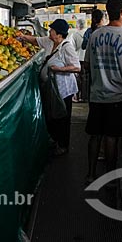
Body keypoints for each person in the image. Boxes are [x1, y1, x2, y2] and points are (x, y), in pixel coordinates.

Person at [84, 0, 122, 183]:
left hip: (96, 95)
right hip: (118, 97)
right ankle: (110, 179)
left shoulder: (95, 35)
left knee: (95, 136)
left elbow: (86, 65)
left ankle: (91, 174)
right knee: (112, 138)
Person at [21, 19, 81, 156]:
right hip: (51, 89)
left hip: (63, 90)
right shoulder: (49, 41)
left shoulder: (67, 47)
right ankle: (54, 141)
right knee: (52, 115)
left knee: (62, 118)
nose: (49, 31)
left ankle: (63, 145)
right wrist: (23, 37)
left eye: (52, 30)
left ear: (59, 34)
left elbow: (77, 67)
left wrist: (60, 69)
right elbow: (35, 40)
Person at [69, 19, 87, 102]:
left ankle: (76, 96)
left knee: (77, 78)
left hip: (78, 59)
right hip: (86, 59)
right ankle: (84, 96)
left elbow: (72, 48)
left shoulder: (74, 35)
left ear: (77, 25)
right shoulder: (88, 33)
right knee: (85, 78)